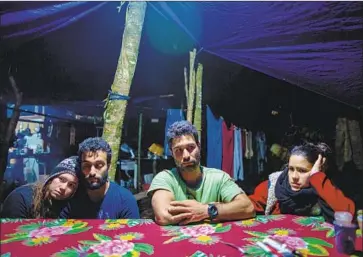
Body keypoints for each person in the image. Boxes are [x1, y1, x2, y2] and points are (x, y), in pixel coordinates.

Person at [148, 120, 255, 226]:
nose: (186, 156)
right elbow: (163, 216)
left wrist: (206, 210)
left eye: (190, 147)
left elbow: (247, 207)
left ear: (198, 147)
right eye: (178, 150)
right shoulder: (165, 178)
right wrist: (221, 208)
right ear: (172, 153)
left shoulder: (219, 177)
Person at [249, 142, 355, 223]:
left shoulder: (324, 189)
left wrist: (317, 177)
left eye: (302, 171)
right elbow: (248, 207)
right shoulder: (273, 185)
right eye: (291, 169)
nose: (294, 177)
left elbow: (348, 215)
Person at [62, 137, 140, 219]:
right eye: (87, 166)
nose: (92, 172)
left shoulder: (125, 199)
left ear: (108, 167)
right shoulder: (72, 197)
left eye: (99, 165)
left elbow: (133, 231)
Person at [0, 156, 79, 218]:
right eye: (61, 179)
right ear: (51, 178)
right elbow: (12, 233)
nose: (63, 187)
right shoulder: (21, 198)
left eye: (71, 185)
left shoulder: (68, 207)